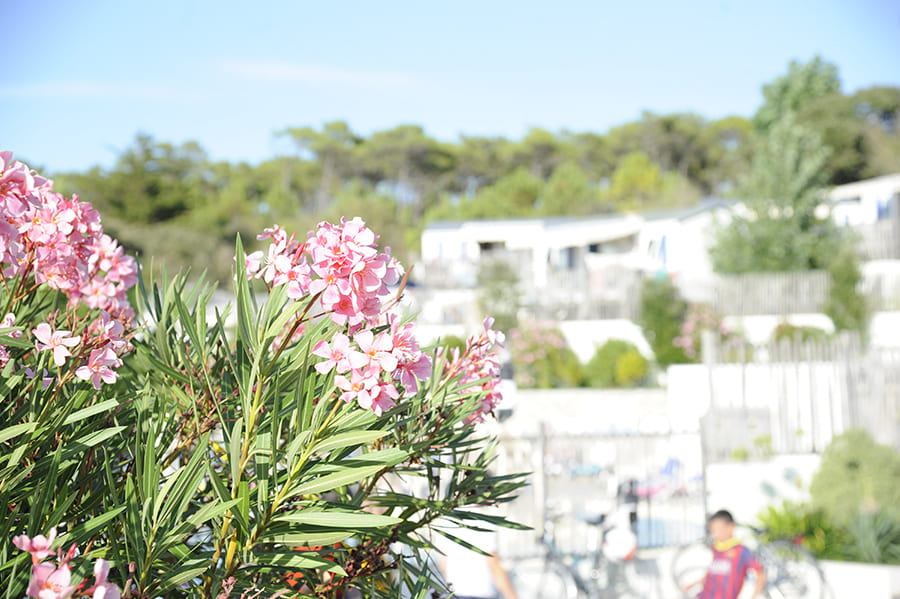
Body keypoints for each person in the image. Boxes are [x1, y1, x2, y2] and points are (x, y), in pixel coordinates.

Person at [682, 510, 765, 599]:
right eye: (713, 531)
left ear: (731, 527)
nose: (715, 534)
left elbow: (761, 574)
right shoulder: (716, 549)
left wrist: (753, 596)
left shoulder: (741, 551)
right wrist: (692, 585)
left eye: (719, 529)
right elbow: (711, 574)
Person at [437, 519, 519, 599]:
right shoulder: (484, 522)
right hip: (481, 593)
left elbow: (442, 564)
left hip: (455, 593)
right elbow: (494, 567)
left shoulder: (445, 521)